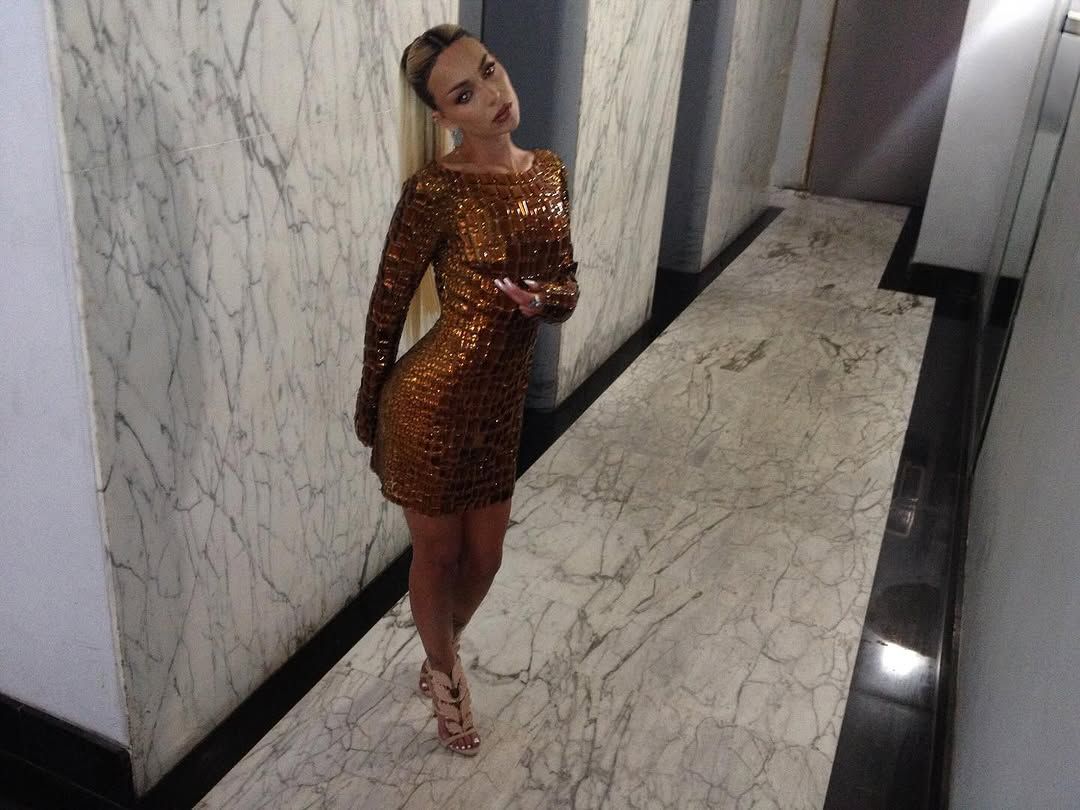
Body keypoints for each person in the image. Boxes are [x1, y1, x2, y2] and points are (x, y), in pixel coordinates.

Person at [353, 23, 579, 756]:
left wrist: (541, 302)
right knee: (439, 558)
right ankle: (447, 679)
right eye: (464, 94)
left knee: (486, 560)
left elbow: (568, 287)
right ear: (442, 116)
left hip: (498, 410)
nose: (493, 94)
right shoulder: (435, 191)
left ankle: (437, 653)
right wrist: (369, 406)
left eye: (489, 70)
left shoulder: (548, 173)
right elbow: (387, 307)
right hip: (431, 403)